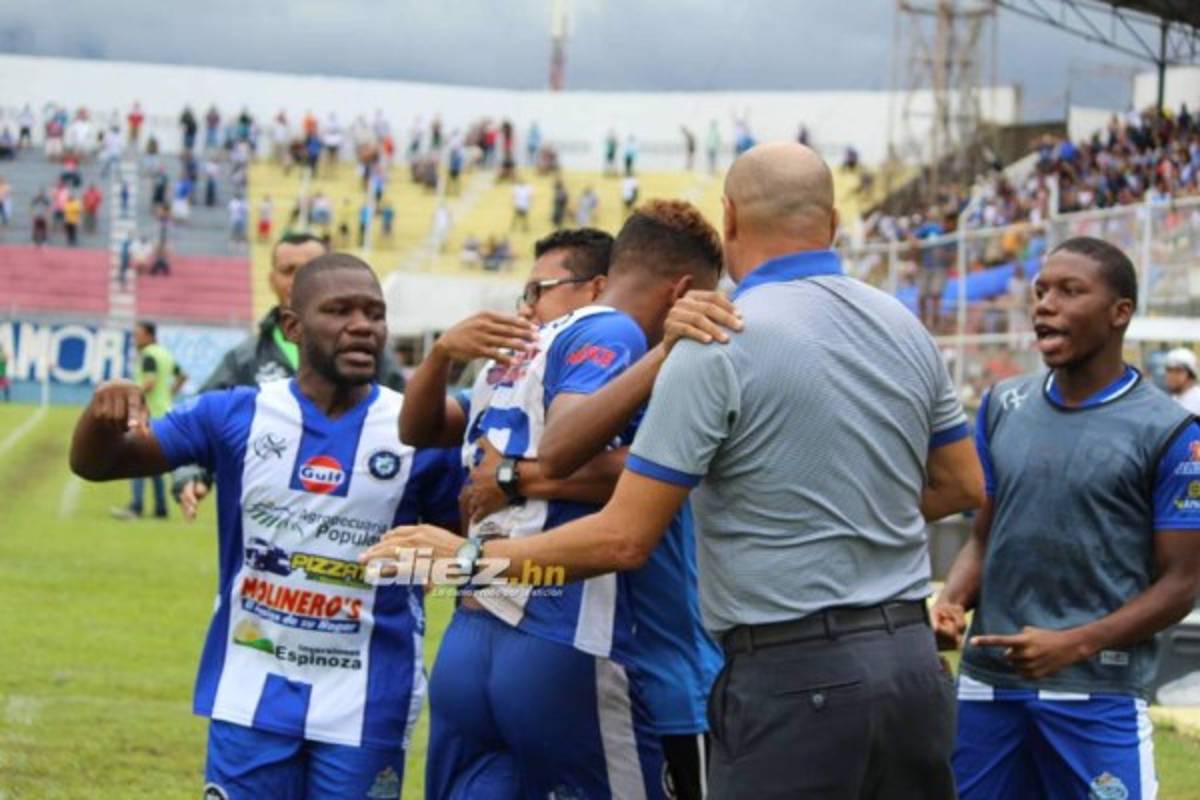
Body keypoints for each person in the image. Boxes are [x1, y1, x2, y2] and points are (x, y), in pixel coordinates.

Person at [372, 142, 984, 799]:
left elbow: (623, 538)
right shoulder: (903, 324)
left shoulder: (715, 335)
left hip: (789, 672)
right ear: (833, 222)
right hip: (912, 664)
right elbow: (961, 485)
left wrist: (467, 559)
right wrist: (833, 515)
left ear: (731, 218)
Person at [70, 254, 462, 800]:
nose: (362, 326)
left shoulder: (420, 433)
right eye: (340, 311)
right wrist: (100, 416)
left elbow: (460, 559)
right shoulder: (234, 414)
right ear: (292, 326)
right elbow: (100, 464)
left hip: (368, 700)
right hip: (249, 688)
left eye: (375, 314)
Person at [391, 206, 727, 799]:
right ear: (682, 293)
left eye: (537, 290)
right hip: (572, 633)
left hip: (478, 630)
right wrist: (666, 351)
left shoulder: (522, 354)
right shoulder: (612, 332)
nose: (527, 306)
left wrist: (515, 477)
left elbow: (434, 436)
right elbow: (586, 453)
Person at [934, 237, 1200, 800]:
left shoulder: (1173, 432)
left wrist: (1075, 644)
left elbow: (1183, 583)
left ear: (1119, 312)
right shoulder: (1002, 405)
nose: (1045, 305)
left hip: (1098, 694)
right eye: (1040, 292)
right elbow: (984, 538)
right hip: (987, 690)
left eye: (1069, 291)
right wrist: (952, 601)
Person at [171, 233, 410, 515]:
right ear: (272, 279)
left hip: (355, 512)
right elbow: (198, 425)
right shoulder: (245, 358)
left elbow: (411, 422)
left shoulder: (366, 349)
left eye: (311, 268)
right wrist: (191, 472)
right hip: (270, 516)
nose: (299, 279)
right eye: (288, 271)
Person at [109, 322, 187, 520]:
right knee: (154, 462)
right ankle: (161, 508)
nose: (135, 338)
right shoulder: (164, 354)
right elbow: (182, 376)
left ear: (149, 336)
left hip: (148, 414)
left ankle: (136, 507)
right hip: (164, 413)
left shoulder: (148, 356)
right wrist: (169, 394)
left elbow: (150, 383)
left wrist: (128, 395)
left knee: (135, 459)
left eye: (139, 334)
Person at [1164, 347, 1200, 414]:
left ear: (1191, 375)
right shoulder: (1174, 399)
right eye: (1169, 370)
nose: (1172, 376)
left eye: (1178, 371)